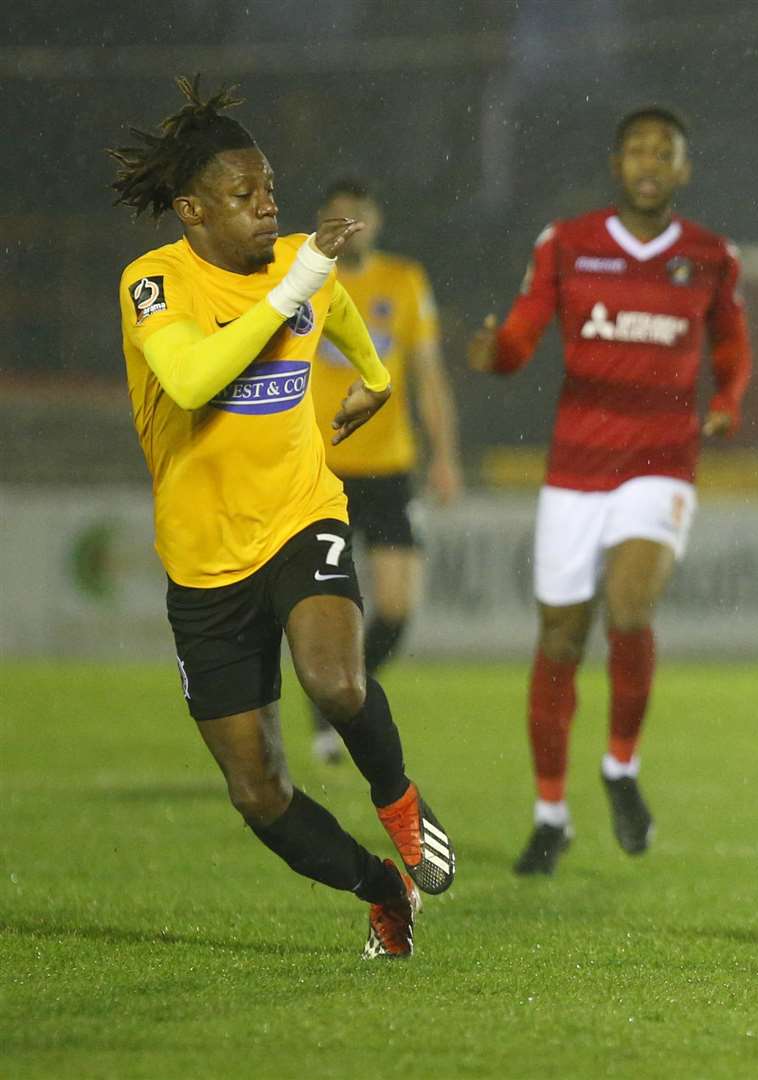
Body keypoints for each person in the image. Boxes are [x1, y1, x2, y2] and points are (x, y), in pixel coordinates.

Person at [109, 76, 455, 958]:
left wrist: (375, 380)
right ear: (191, 209)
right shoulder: (155, 283)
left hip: (302, 515)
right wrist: (295, 281)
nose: (267, 206)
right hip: (204, 562)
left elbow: (335, 305)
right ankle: (382, 889)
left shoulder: (301, 261)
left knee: (336, 680)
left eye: (269, 189)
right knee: (257, 791)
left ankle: (402, 805)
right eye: (243, 195)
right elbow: (191, 379)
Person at [467, 105, 752, 875]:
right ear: (617, 163)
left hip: (660, 462)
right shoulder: (567, 244)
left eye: (666, 150)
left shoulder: (710, 257)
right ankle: (550, 813)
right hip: (574, 471)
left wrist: (724, 403)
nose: (651, 161)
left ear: (683, 169)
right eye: (638, 149)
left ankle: (620, 765)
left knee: (629, 608)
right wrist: (498, 354)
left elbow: (731, 347)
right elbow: (525, 331)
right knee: (559, 639)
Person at [305, 178, 463, 766]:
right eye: (337, 216)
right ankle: (333, 707)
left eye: (358, 215)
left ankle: (340, 698)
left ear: (375, 220)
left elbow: (430, 376)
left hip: (390, 467)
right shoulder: (306, 282)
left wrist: (445, 455)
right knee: (331, 608)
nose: (350, 226)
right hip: (323, 469)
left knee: (396, 607)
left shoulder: (404, 281)